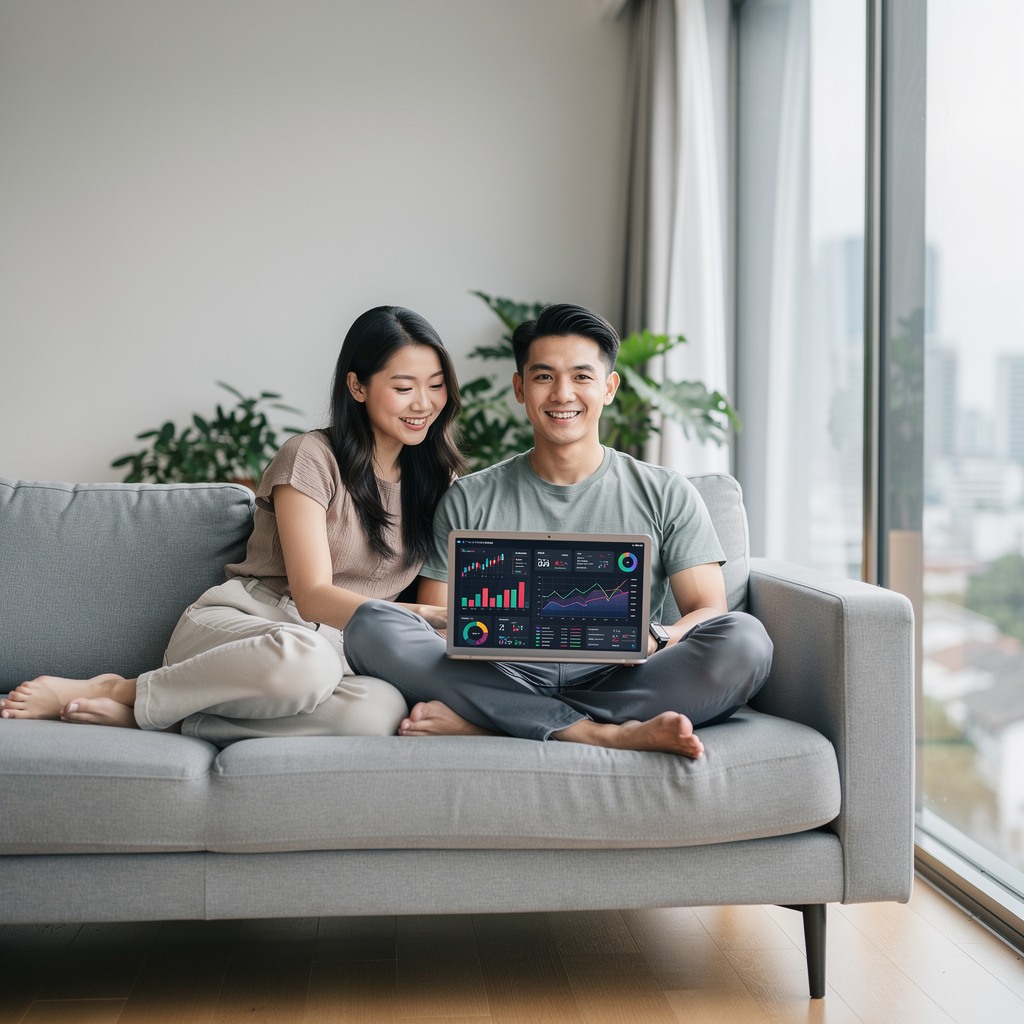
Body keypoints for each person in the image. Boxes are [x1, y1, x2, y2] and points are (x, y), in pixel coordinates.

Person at [0, 305, 465, 743]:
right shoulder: (311, 457)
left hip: (339, 655)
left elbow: (432, 601)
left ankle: (169, 718)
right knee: (308, 661)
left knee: (375, 716)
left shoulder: (439, 480)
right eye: (404, 388)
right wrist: (426, 616)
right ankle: (119, 689)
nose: (423, 403)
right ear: (357, 386)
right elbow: (312, 596)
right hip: (250, 628)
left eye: (437, 385)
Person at [341, 303, 773, 759]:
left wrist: (657, 637)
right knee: (371, 625)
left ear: (609, 388)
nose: (562, 393)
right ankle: (598, 733)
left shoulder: (667, 492)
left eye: (582, 377)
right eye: (544, 377)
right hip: (501, 674)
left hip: (624, 677)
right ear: (520, 389)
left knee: (745, 640)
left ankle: (495, 724)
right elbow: (435, 619)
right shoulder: (469, 498)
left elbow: (709, 611)